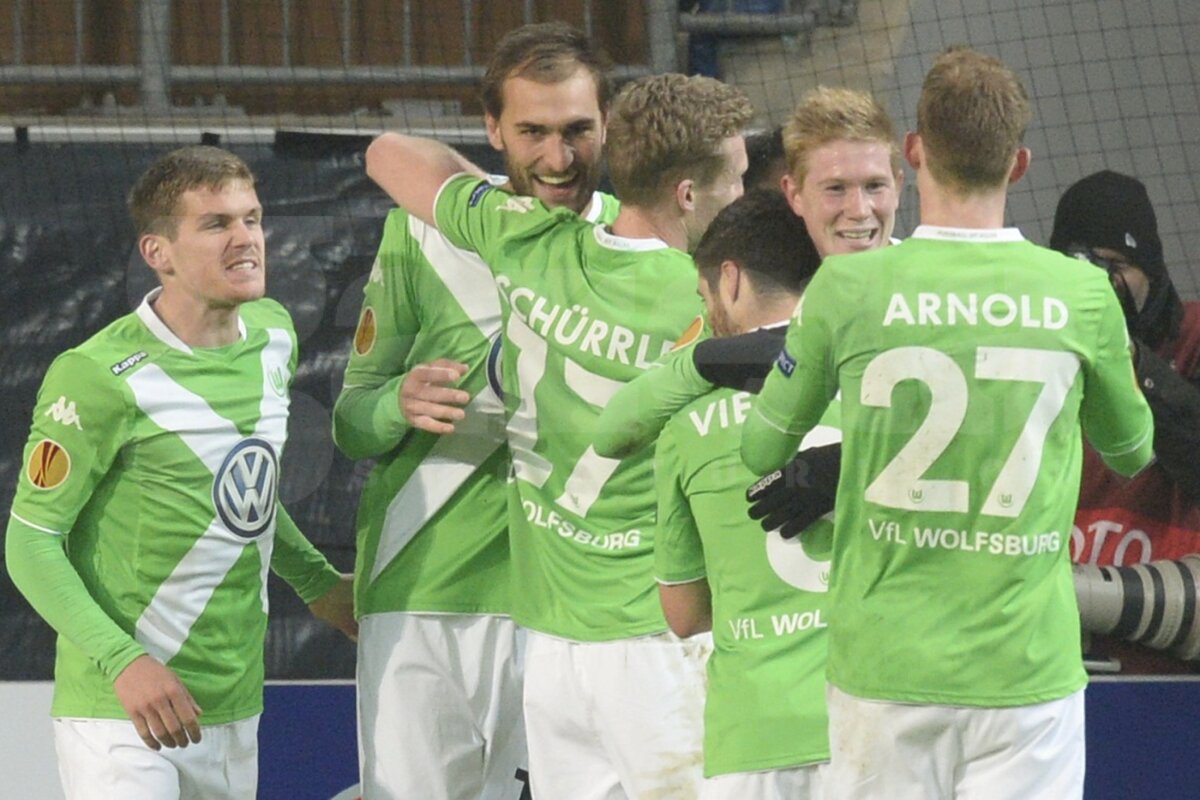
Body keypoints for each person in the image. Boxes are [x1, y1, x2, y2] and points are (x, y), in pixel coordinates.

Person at [741, 47, 1154, 799]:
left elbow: (761, 446)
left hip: (882, 671)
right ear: (1020, 162)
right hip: (1026, 672)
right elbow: (1132, 450)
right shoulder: (1081, 292)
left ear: (913, 153)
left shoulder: (847, 287)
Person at [365, 71, 753, 799]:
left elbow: (388, 154)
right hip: (656, 644)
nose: (741, 197)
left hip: (549, 651)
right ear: (689, 194)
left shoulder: (525, 242)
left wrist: (493, 190)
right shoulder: (708, 300)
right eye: (735, 180)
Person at [5, 145, 356, 799]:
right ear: (157, 253)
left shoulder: (274, 333)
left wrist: (316, 583)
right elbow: (29, 541)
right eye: (216, 224)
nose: (246, 239)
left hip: (231, 706)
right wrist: (124, 662)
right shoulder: (96, 376)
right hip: (121, 711)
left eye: (252, 219)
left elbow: (244, 493)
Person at [332, 22, 617, 799]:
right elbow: (351, 419)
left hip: (568, 603)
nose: (557, 160)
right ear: (492, 129)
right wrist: (399, 401)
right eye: (532, 132)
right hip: (421, 587)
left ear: (607, 123)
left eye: (576, 131)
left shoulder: (633, 243)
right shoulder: (421, 230)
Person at [595, 84, 901, 460]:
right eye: (835, 189)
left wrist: (845, 460)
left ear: (898, 187)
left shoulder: (930, 289)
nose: (859, 209)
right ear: (794, 194)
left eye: (875, 186)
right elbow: (611, 435)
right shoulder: (760, 292)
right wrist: (700, 362)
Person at [655, 188, 832, 798]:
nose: (709, 318)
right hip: (870, 718)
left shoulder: (682, 423)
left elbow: (681, 615)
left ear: (728, 280)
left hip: (753, 733)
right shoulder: (875, 384)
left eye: (706, 299)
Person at [1049, 169, 1200, 674]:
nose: (1098, 282)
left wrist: (1129, 357)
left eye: (1114, 265)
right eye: (1079, 264)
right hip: (1059, 655)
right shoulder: (1038, 345)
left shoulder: (1194, 335)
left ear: (1151, 273)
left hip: (1174, 650)